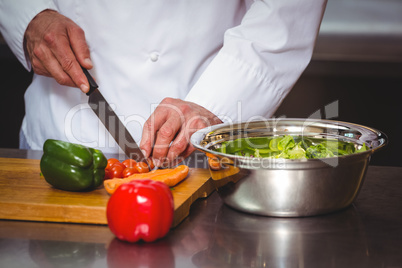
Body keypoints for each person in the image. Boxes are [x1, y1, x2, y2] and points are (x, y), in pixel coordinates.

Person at [0, 0, 327, 167]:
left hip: (204, 142)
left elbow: (287, 11)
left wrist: (216, 102)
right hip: (61, 132)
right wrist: (26, 15)